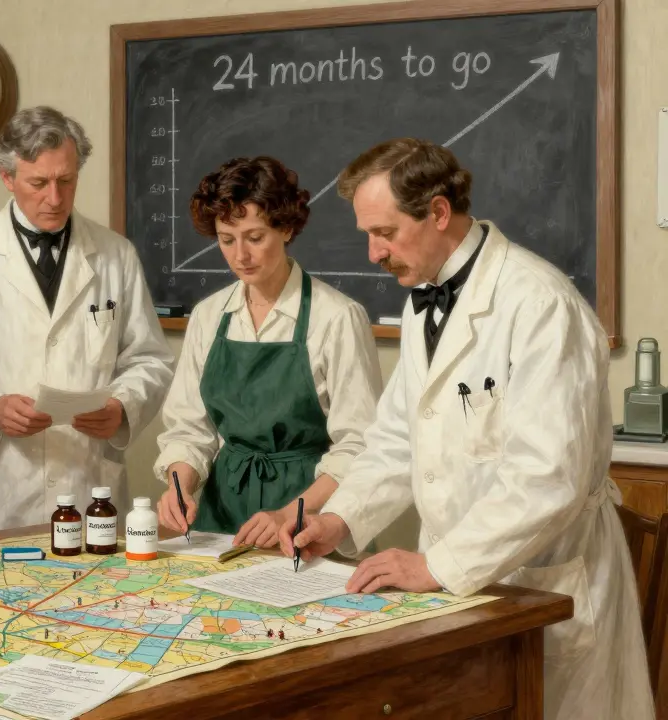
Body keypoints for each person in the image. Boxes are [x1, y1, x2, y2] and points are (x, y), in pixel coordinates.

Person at [283, 138, 653, 719]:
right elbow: (398, 438)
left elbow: (547, 478)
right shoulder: (421, 302)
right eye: (367, 235)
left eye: (384, 232)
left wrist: (435, 566)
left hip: (541, 581)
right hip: (458, 586)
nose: (373, 253)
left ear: (436, 212)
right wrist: (339, 519)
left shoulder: (540, 304)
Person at [0, 106, 174, 529]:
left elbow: (150, 359)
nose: (55, 197)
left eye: (66, 181)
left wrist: (122, 405)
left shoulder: (116, 255)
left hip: (87, 483)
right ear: (7, 178)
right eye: (39, 183)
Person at [154, 157, 382, 548]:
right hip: (223, 513)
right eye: (227, 239)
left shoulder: (337, 317)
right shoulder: (210, 316)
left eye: (255, 237)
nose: (240, 254)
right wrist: (179, 485)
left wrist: (290, 512)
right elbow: (189, 430)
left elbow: (359, 445)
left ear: (287, 228)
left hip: (310, 515)